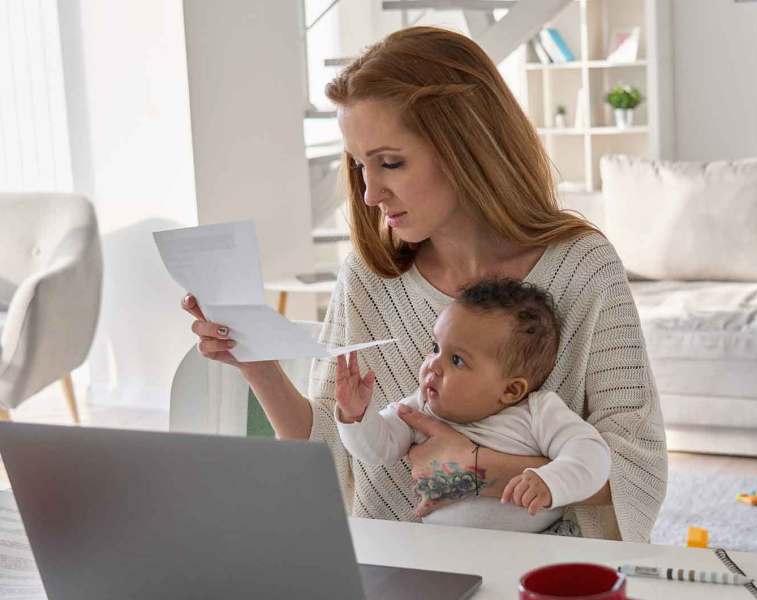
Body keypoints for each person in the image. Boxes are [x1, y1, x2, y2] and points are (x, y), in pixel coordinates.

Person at [182, 26, 667, 542]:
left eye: (390, 162)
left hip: (547, 570)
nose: (369, 193)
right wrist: (259, 366)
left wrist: (479, 467)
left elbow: (637, 469)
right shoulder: (369, 279)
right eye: (359, 166)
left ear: (466, 148)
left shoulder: (582, 267)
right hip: (403, 564)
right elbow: (325, 452)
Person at [334, 278, 611, 533]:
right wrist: (356, 414)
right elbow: (376, 449)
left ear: (511, 390)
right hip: (445, 546)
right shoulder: (421, 407)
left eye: (456, 360)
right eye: (435, 348)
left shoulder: (538, 413)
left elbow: (592, 454)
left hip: (538, 544)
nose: (433, 365)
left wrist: (551, 481)